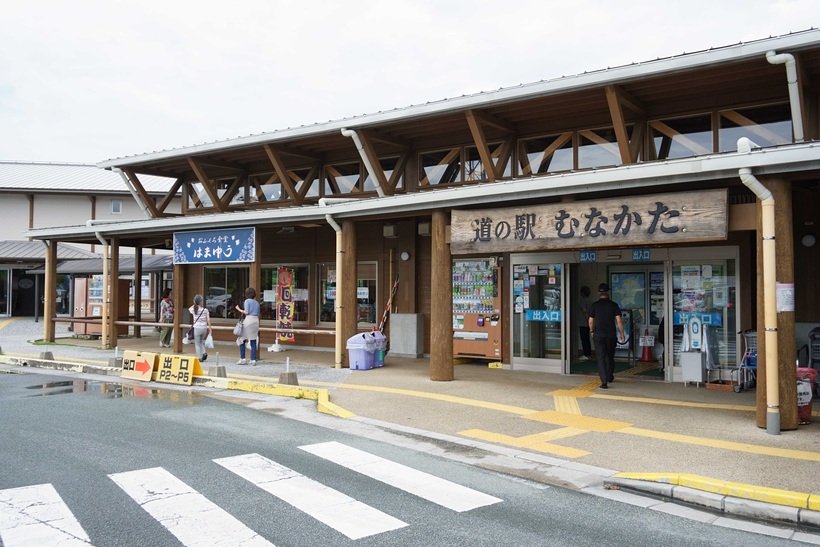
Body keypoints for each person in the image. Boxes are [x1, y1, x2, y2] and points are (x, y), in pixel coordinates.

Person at [588, 283, 625, 389]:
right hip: (611, 335)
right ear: (608, 292)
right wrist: (622, 333)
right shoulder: (614, 305)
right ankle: (609, 376)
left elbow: (590, 321)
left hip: (598, 335)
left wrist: (591, 331)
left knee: (601, 358)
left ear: (599, 293)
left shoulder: (594, 305)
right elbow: (619, 321)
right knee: (609, 356)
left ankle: (604, 381)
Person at [235, 287, 260, 365]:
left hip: (249, 320)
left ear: (247, 294)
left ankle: (242, 358)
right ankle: (253, 360)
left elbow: (246, 312)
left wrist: (238, 309)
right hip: (256, 321)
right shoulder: (257, 303)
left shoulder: (247, 301)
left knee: (241, 339)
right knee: (253, 340)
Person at [188, 294, 212, 362]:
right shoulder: (205, 310)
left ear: (194, 301)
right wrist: (210, 329)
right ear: (201, 302)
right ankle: (204, 352)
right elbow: (208, 320)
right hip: (204, 328)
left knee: (197, 343)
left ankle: (200, 357)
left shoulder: (193, 309)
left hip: (197, 328)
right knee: (201, 342)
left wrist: (194, 303)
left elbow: (189, 309)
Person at [578, 285, 592, 360]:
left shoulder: (582, 300)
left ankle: (586, 354)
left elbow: (584, 311)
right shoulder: (589, 300)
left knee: (584, 339)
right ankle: (588, 353)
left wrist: (587, 320)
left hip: (584, 323)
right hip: (588, 322)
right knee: (587, 338)